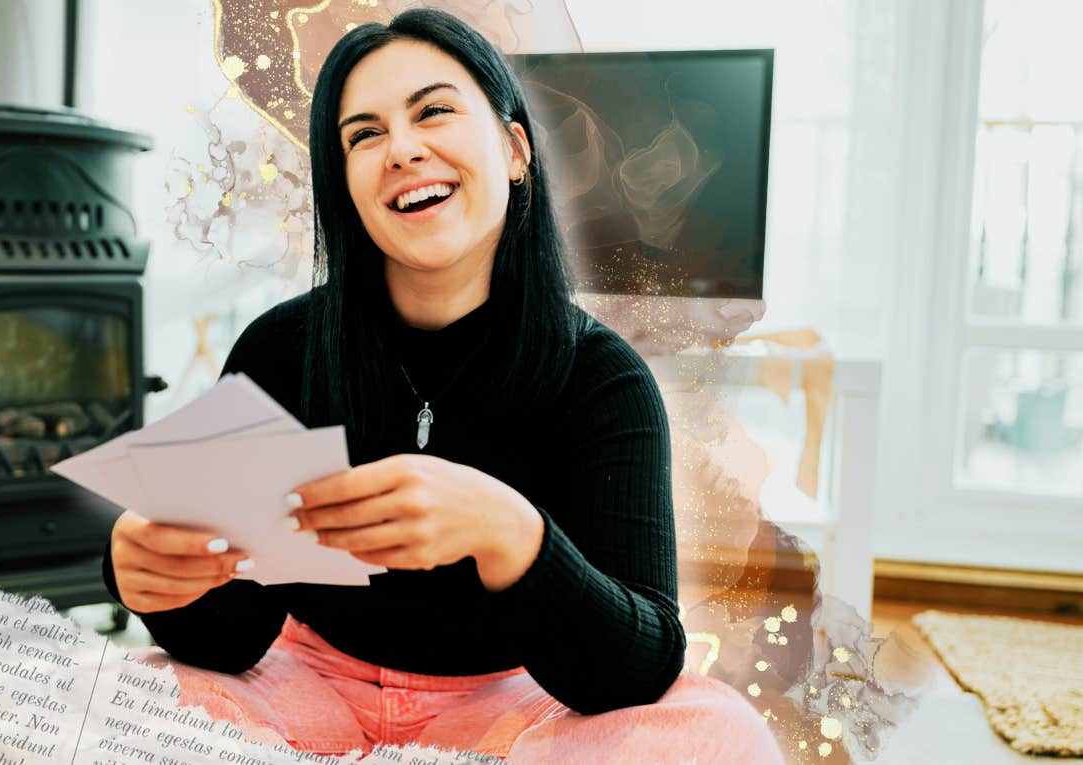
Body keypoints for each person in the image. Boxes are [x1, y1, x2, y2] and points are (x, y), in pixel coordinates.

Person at [103, 8, 783, 763]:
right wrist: (153, 575)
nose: (401, 149)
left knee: (718, 738)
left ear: (515, 149)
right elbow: (228, 642)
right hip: (306, 687)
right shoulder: (281, 349)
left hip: (514, 707)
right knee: (98, 702)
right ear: (344, 185)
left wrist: (511, 534)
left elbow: (639, 665)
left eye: (433, 111)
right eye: (363, 134)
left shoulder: (603, 377)